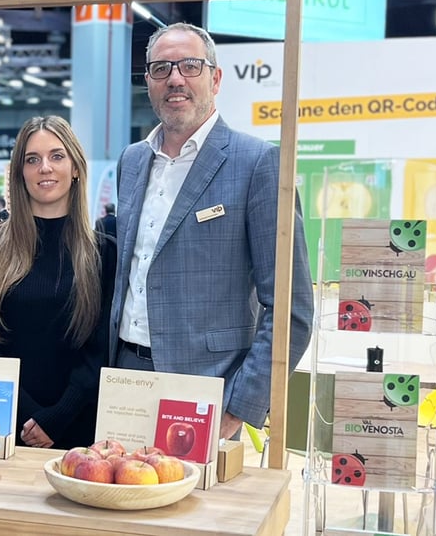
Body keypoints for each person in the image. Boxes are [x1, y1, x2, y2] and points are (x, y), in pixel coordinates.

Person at [110, 22, 314, 440]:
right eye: (162, 69)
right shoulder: (131, 162)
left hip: (206, 388)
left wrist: (239, 407)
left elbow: (292, 308)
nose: (176, 79)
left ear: (216, 78)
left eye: (190, 65)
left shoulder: (257, 164)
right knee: (121, 496)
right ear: (148, 81)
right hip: (124, 378)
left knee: (196, 505)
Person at [0, 116, 116, 450]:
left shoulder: (104, 252)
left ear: (75, 168)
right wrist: (28, 417)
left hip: (79, 433)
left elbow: (101, 350)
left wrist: (57, 417)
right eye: (32, 159)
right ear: (20, 173)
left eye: (57, 156)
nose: (45, 167)